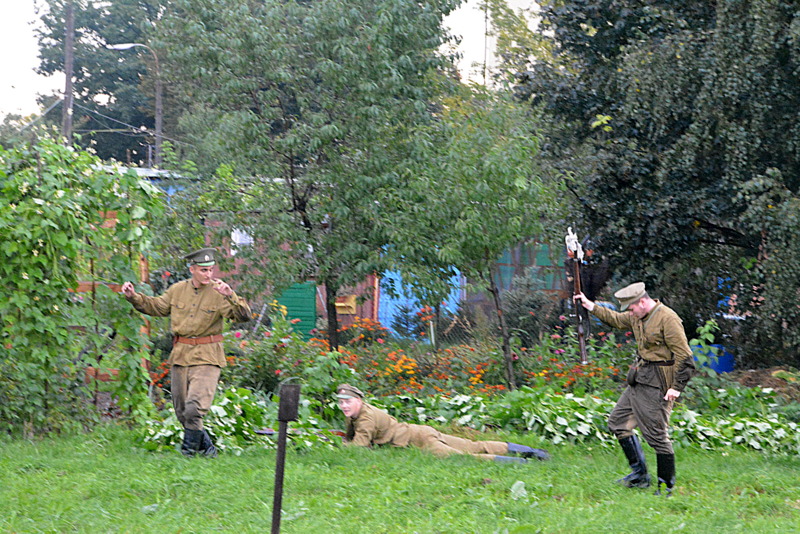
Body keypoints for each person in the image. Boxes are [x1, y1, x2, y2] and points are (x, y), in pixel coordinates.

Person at [121, 247, 251, 457]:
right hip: (181, 355)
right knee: (183, 412)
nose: (208, 274)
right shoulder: (178, 290)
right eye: (203, 270)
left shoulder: (219, 292)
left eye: (210, 270)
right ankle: (207, 448)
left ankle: (188, 453)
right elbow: (157, 307)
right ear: (192, 269)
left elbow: (243, 316)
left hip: (207, 356)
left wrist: (231, 296)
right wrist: (133, 297)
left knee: (194, 408)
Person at [574, 282, 695, 496]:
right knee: (618, 423)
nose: (630, 313)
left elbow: (684, 356)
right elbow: (616, 319)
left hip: (659, 383)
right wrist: (590, 305)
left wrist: (676, 388)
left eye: (631, 308)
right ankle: (640, 476)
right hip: (640, 378)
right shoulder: (637, 315)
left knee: (657, 435)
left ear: (642, 301)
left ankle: (666, 487)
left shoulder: (667, 318)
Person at [335, 384, 549, 463]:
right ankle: (532, 452)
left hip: (419, 441)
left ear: (359, 400)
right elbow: (354, 436)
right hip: (421, 431)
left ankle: (522, 462)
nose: (344, 406)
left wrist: (340, 446)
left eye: (348, 401)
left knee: (464, 457)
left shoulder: (366, 417)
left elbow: (359, 446)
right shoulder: (357, 412)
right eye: (341, 402)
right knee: (473, 446)